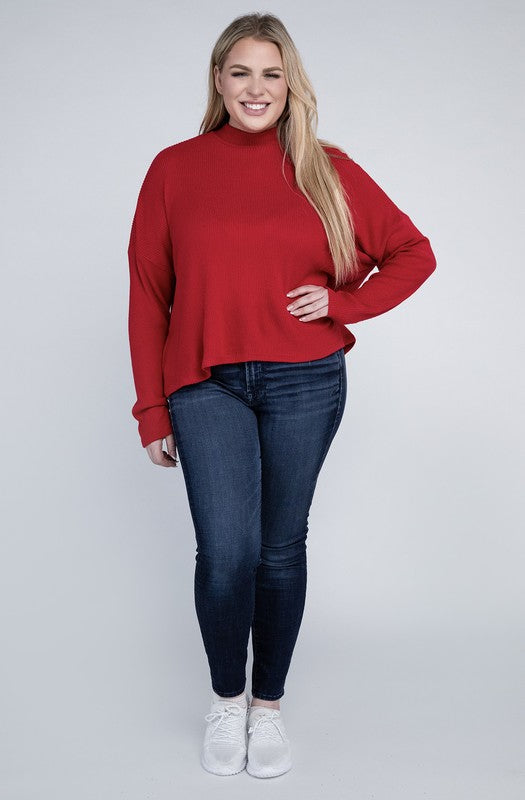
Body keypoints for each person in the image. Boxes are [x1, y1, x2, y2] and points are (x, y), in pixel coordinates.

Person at [127, 12, 436, 779]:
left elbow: (411, 253)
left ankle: (268, 709)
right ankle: (225, 700)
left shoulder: (326, 168)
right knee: (225, 552)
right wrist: (150, 408)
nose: (255, 88)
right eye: (240, 72)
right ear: (218, 81)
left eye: (271, 73)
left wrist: (341, 303)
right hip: (203, 382)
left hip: (304, 379)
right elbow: (146, 296)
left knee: (276, 548)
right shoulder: (174, 168)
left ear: (290, 83)